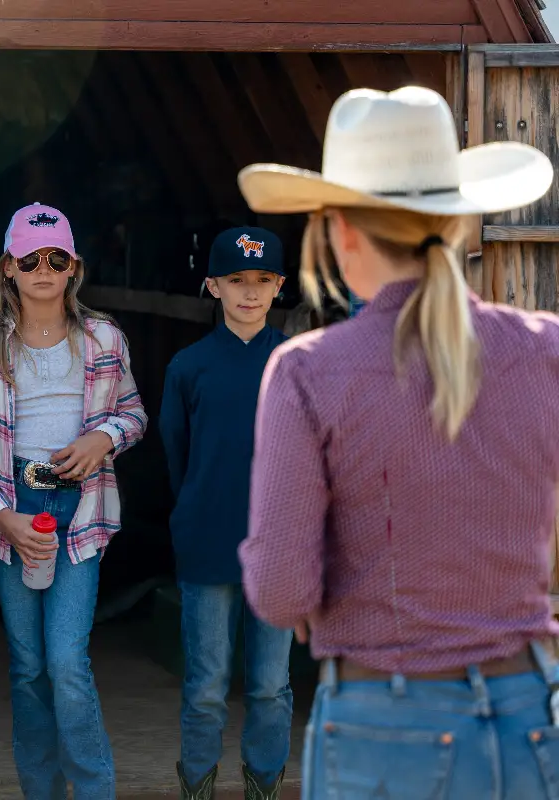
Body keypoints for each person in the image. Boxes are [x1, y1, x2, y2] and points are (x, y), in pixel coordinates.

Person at [236, 86, 557, 798]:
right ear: (458, 222)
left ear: (340, 231)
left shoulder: (308, 371)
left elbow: (282, 591)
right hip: (532, 711)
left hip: (386, 718)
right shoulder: (545, 352)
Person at [0, 203, 147, 799]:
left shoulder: (106, 338)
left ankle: (92, 791)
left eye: (56, 258)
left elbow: (133, 414)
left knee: (66, 663)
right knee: (29, 667)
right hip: (11, 508)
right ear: (8, 267)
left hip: (81, 511)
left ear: (73, 268)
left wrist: (101, 437)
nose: (43, 269)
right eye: (30, 259)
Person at [158, 227, 293, 800]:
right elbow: (175, 450)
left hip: (279, 548)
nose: (249, 292)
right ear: (212, 285)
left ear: (279, 286)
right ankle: (199, 783)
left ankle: (264, 783)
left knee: (268, 684)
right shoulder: (188, 366)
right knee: (207, 684)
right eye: (236, 280)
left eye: (262, 280)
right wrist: (197, 510)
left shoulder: (294, 362)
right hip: (209, 540)